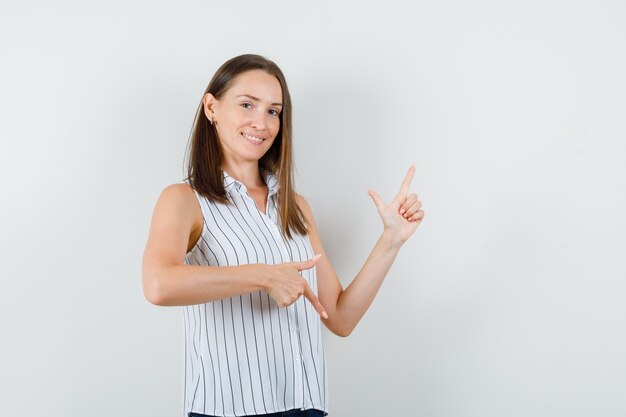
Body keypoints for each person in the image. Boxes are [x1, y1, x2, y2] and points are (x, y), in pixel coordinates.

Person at [142, 54, 424, 417]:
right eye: (247, 105)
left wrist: (392, 240)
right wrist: (264, 276)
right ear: (211, 107)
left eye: (274, 111)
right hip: (227, 411)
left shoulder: (295, 207)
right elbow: (158, 284)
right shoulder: (184, 199)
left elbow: (339, 317)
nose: (261, 123)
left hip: (305, 408)